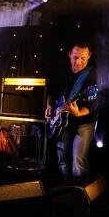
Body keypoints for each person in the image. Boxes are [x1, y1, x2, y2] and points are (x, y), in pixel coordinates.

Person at [45, 41, 98, 182]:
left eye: (83, 58)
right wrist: (50, 106)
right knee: (61, 158)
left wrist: (79, 113)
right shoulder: (61, 70)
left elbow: (93, 103)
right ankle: (66, 189)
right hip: (62, 122)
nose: (79, 62)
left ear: (89, 56)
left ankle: (80, 194)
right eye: (75, 57)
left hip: (84, 122)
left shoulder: (92, 74)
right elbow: (52, 91)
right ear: (69, 54)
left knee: (78, 159)